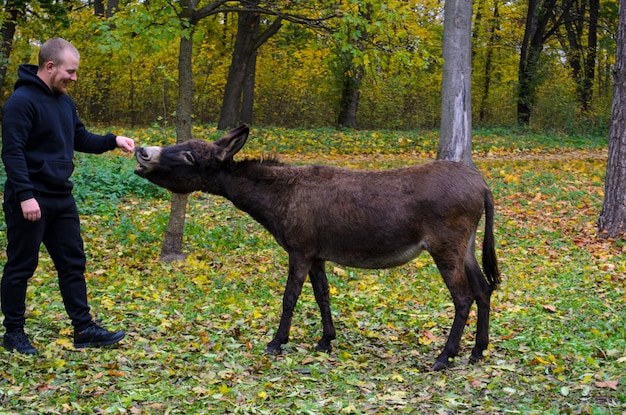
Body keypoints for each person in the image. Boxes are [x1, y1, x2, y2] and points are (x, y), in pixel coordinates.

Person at [1, 38, 134, 354]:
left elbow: (80, 138)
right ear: (50, 67)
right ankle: (14, 333)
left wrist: (113, 140)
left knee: (73, 263)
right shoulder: (21, 102)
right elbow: (12, 152)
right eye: (70, 72)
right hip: (30, 200)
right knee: (21, 266)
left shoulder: (65, 103)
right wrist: (25, 195)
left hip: (61, 197)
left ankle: (84, 328)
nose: (74, 78)